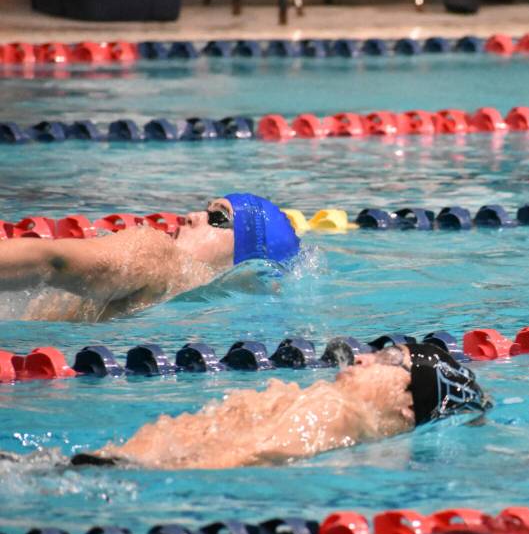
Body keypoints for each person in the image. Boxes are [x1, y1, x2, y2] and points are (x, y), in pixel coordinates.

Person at [64, 343, 491, 470]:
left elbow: (253, 451)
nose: (363, 357)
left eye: (389, 359)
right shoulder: (333, 416)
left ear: (408, 406)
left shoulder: (333, 409)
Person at [0, 193, 300, 322]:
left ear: (246, 256)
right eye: (204, 209)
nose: (192, 216)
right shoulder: (199, 320)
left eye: (218, 218)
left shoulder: (155, 254)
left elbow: (50, 261)